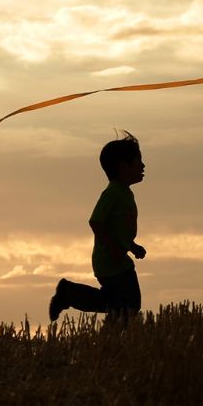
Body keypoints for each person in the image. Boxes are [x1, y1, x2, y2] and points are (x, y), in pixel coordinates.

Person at [49, 131, 146, 322]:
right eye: (138, 161)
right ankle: (69, 293)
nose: (143, 166)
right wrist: (113, 249)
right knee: (127, 304)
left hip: (118, 259)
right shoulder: (112, 194)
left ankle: (71, 295)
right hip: (110, 261)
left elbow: (118, 229)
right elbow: (96, 222)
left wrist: (132, 246)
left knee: (120, 303)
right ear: (124, 167)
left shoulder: (125, 193)